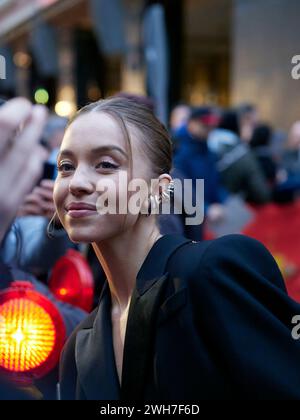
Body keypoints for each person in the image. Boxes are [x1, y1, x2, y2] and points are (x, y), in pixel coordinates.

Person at [57, 97, 300, 400]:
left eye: (106, 164)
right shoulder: (79, 347)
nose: (76, 182)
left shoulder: (213, 274)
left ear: (159, 189)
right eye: (65, 166)